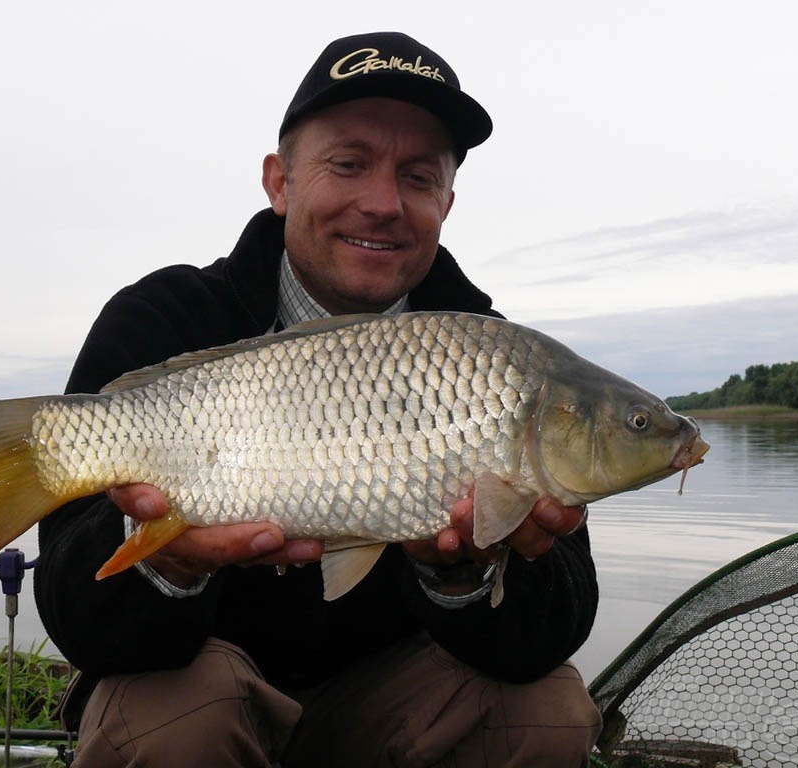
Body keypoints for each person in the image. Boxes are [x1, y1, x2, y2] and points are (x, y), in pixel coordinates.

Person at [35, 31, 602, 767]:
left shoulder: (496, 360)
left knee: (547, 711)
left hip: (389, 709)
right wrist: (170, 563)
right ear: (279, 181)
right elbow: (77, 620)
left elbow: (550, 637)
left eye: (419, 177)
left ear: (448, 203)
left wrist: (457, 572)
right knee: (180, 713)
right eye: (349, 164)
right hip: (202, 689)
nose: (382, 203)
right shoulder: (165, 320)